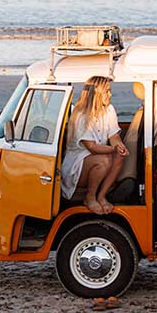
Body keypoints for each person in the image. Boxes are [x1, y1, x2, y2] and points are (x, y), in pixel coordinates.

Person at [61, 76, 128, 215]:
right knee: (104, 160)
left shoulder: (109, 110)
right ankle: (89, 197)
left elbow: (114, 136)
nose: (110, 94)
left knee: (119, 157)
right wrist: (113, 149)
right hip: (77, 165)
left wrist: (119, 147)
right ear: (96, 93)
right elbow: (92, 147)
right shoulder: (80, 115)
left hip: (98, 157)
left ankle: (101, 196)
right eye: (107, 91)